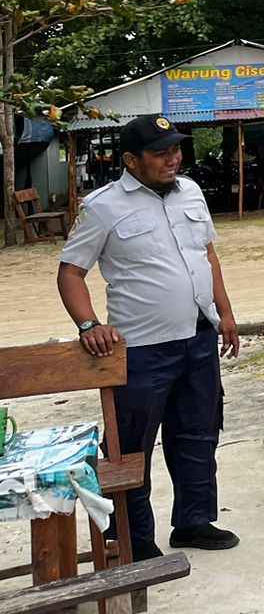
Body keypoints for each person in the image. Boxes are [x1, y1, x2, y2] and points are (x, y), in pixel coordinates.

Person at [57, 114, 241, 560]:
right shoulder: (103, 206)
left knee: (198, 433)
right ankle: (134, 537)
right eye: (161, 153)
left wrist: (226, 313)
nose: (173, 158)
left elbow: (208, 256)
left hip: (198, 336)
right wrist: (89, 325)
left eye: (176, 150)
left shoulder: (191, 193)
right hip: (140, 349)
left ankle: (194, 522)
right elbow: (71, 273)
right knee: (131, 446)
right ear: (130, 160)